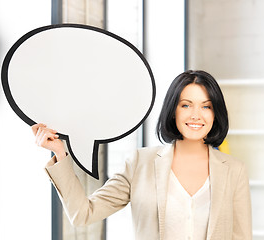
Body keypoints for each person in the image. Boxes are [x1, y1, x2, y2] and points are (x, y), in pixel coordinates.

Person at [32, 70, 252, 240]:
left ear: (216, 114)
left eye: (206, 107)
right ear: (173, 110)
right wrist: (60, 153)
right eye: (186, 105)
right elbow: (83, 213)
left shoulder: (234, 170)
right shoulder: (140, 164)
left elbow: (242, 236)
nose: (196, 115)